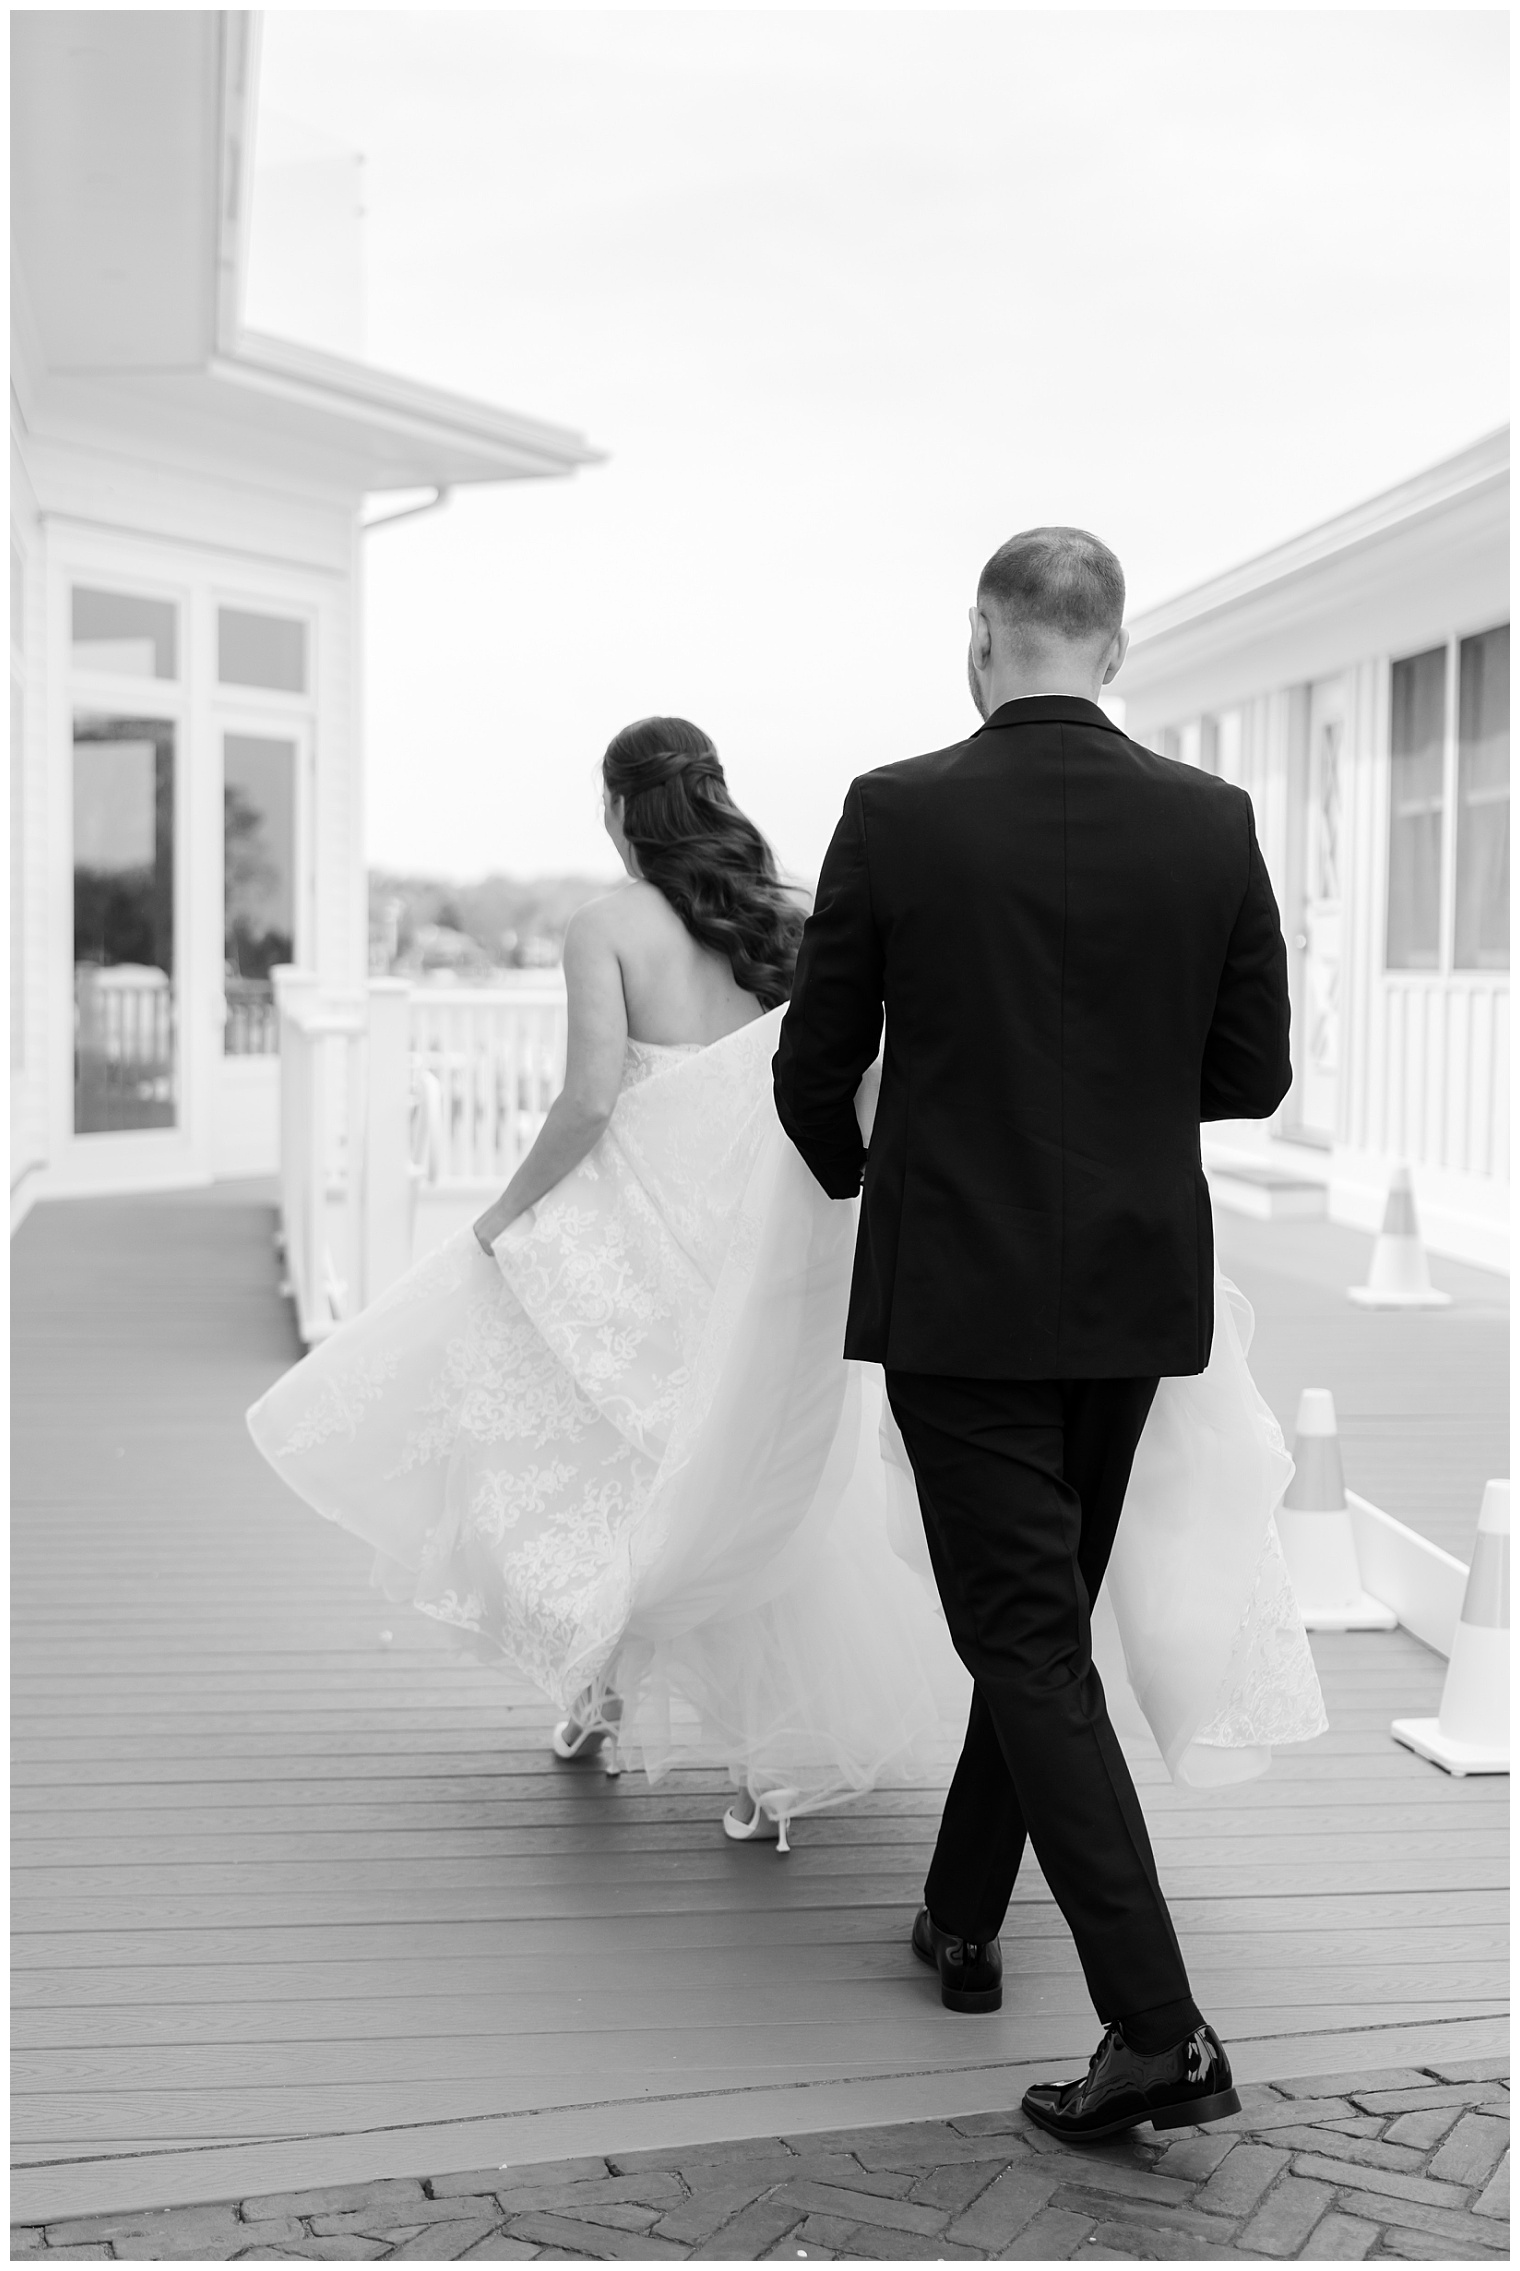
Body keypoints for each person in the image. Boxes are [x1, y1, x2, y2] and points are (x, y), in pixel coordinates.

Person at [249, 701, 1321, 2007]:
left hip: (666, 1245)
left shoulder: (612, 926)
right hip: (800, 1252)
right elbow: (856, 1067)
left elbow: (601, 1099)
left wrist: (503, 1216)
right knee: (775, 1474)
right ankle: (793, 1791)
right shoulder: (791, 916)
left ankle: (603, 1690)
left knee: (635, 1456)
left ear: (616, 810)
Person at [773, 525, 1298, 2142]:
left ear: (983, 640)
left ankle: (1160, 2031)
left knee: (1024, 1634)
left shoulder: (897, 810)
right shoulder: (1211, 821)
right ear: (1113, 650)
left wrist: (891, 1178)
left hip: (960, 1291)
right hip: (1133, 1289)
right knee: (1041, 1620)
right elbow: (1254, 1070)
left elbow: (814, 1066)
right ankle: (962, 1912)